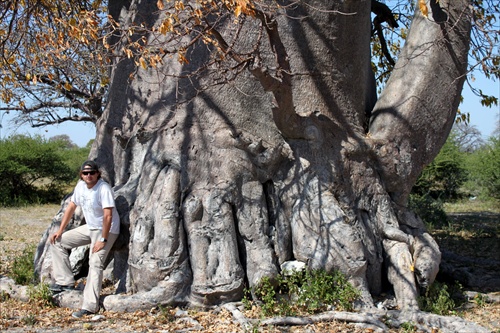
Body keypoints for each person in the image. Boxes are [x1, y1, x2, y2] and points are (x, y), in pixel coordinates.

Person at [49, 160, 120, 318]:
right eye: (85, 173)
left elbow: (108, 216)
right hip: (90, 227)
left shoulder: (103, 189)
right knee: (57, 242)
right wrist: (60, 231)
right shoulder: (80, 186)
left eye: (92, 172)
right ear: (81, 175)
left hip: (106, 229)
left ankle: (90, 306)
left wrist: (103, 239)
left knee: (95, 263)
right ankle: (65, 282)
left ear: (97, 174)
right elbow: (71, 207)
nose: (89, 176)